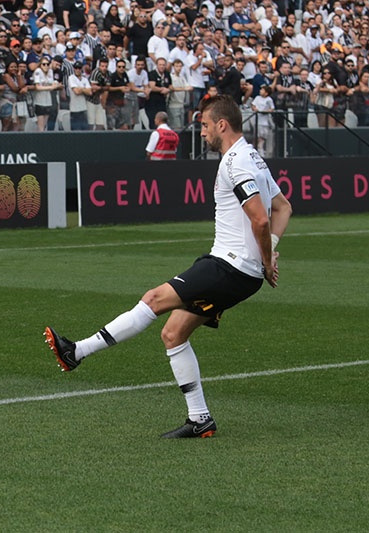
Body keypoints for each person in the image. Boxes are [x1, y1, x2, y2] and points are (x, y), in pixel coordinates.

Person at [44, 95, 292, 438]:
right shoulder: (255, 158)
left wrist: (267, 260)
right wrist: (270, 254)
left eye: (205, 125)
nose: (202, 132)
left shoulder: (236, 162)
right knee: (173, 333)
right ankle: (200, 419)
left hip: (231, 266)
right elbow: (284, 207)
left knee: (154, 299)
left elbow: (262, 220)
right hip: (235, 268)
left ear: (222, 125)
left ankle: (77, 352)